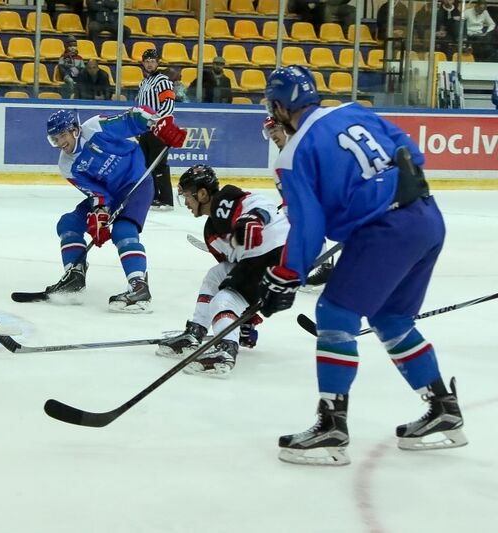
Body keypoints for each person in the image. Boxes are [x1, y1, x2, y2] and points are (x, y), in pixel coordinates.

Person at [261, 65, 467, 466]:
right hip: (427, 218)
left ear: (279, 105)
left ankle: (331, 425)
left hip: (385, 231)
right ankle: (444, 409)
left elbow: (309, 227)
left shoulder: (293, 154)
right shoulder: (355, 110)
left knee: (334, 313)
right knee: (391, 319)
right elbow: (412, 152)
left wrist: (287, 274)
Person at [44, 107, 186, 312]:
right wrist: (99, 214)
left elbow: (131, 119)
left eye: (63, 135)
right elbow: (95, 192)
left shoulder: (95, 127)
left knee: (123, 230)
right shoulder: (66, 164)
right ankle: (74, 276)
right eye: (55, 139)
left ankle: (139, 286)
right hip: (110, 194)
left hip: (136, 182)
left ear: (75, 129)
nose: (60, 143)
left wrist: (157, 124)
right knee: (69, 223)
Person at [156, 165, 288, 377]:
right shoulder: (210, 231)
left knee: (224, 301)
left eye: (187, 196)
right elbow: (235, 271)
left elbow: (261, 204)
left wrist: (256, 218)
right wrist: (245, 317)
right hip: (257, 259)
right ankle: (195, 332)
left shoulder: (225, 198)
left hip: (276, 248)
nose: (187, 203)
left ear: (202, 193)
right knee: (215, 276)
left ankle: (225, 351)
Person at [263, 115, 334, 286]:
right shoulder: (285, 155)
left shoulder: (303, 147)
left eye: (275, 130)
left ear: (285, 127)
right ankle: (323, 264)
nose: (272, 135)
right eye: (269, 131)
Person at [136, 48, 177, 211]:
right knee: (146, 165)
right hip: (145, 130)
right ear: (143, 63)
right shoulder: (143, 83)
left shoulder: (163, 81)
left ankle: (166, 199)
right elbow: (140, 106)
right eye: (147, 61)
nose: (150, 64)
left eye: (152, 61)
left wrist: (156, 120)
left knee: (159, 165)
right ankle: (152, 196)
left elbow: (169, 104)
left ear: (157, 62)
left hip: (159, 129)